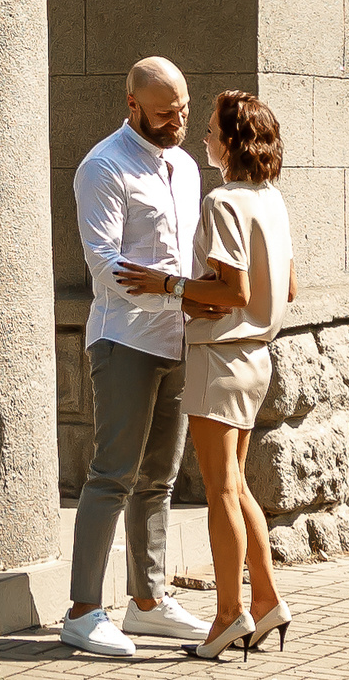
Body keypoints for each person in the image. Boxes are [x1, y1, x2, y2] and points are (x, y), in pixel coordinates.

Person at [121, 89, 295, 661]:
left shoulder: (223, 202)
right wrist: (215, 298)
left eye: (213, 133)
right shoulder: (272, 200)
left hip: (220, 360)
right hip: (258, 356)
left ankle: (228, 615)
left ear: (232, 143)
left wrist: (170, 285)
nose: (204, 139)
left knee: (221, 489)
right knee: (237, 486)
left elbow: (233, 291)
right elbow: (284, 289)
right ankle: (265, 600)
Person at [61, 57, 209, 657]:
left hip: (179, 338)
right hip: (124, 337)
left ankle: (147, 602)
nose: (177, 122)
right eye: (165, 113)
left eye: (183, 111)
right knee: (112, 475)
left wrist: (199, 297)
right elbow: (105, 266)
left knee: (160, 478)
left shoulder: (186, 165)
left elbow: (193, 249)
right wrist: (177, 290)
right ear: (133, 106)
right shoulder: (103, 166)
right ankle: (82, 611)